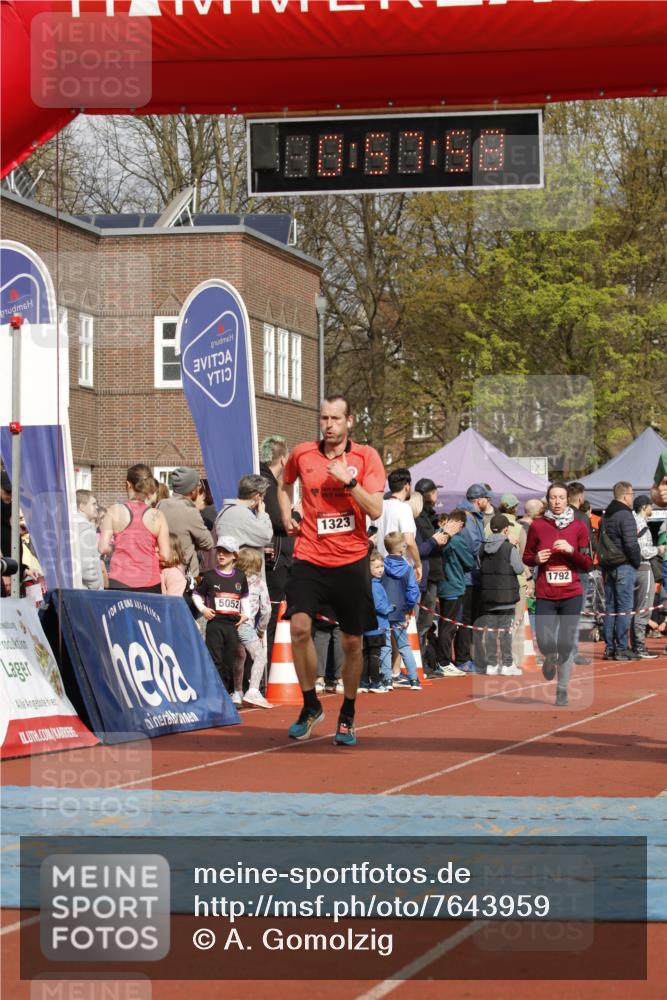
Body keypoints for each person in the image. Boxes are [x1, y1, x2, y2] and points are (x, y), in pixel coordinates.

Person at [277, 394, 385, 747]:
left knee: (352, 642)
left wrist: (349, 482)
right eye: (324, 418)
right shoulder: (303, 453)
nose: (328, 425)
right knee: (299, 627)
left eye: (335, 419)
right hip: (309, 555)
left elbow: (376, 510)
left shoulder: (366, 457)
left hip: (351, 560)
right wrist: (286, 515)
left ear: (349, 421)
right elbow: (283, 484)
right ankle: (311, 705)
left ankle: (348, 712)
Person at [523, 481, 593, 706]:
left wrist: (572, 551)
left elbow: (588, 563)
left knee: (566, 643)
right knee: (544, 641)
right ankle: (549, 657)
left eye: (561, 497)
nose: (557, 502)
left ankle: (562, 689)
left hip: (572, 593)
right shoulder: (538, 526)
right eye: (553, 497)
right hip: (546, 592)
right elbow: (526, 556)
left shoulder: (579, 526)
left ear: (567, 500)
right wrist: (536, 559)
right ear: (548, 500)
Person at [193, 535, 250, 695]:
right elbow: (196, 594)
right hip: (215, 624)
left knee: (228, 661)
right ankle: (214, 693)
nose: (221, 555)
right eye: (219, 551)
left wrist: (246, 614)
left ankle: (225, 693)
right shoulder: (210, 576)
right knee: (214, 659)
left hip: (232, 625)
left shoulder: (240, 576)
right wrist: (203, 609)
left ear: (235, 555)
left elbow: (244, 596)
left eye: (226, 552)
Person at [260, 435, 299, 664]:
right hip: (274, 562)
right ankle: (268, 667)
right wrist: (297, 513)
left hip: (276, 559)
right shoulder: (267, 483)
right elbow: (278, 520)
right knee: (272, 615)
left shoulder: (266, 481)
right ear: (284, 460)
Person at [99, 470, 170, 593]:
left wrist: (116, 547)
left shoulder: (114, 510)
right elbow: (165, 555)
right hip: (150, 581)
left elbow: (103, 548)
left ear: (128, 484)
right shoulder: (158, 515)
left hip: (119, 580)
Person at [476, 513, 525, 676]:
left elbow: (479, 566)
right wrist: (512, 547)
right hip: (506, 597)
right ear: (505, 530)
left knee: (490, 631)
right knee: (505, 631)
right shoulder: (509, 548)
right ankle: (507, 664)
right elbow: (519, 569)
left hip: (488, 596)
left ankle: (491, 664)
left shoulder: (482, 548)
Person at [600, 481, 642, 660]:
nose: (632, 498)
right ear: (625, 496)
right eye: (632, 494)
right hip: (624, 564)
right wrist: (636, 562)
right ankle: (622, 647)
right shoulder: (625, 515)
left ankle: (610, 647)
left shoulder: (606, 515)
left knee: (610, 607)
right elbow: (631, 544)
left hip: (608, 566)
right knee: (624, 607)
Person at [454, 484, 491, 670]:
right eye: (486, 498)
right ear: (478, 500)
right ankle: (462, 659)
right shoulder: (468, 518)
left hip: (472, 576)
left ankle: (469, 657)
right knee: (466, 619)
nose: (488, 502)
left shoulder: (473, 516)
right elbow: (473, 546)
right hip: (467, 576)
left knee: (472, 618)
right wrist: (492, 547)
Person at [233, 547, 273, 708]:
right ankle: (253, 690)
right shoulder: (259, 583)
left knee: (239, 657)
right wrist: (261, 630)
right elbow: (267, 609)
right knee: (260, 656)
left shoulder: (233, 580)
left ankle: (237, 692)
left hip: (230, 623)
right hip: (246, 625)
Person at [382, 531, 422, 690]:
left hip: (383, 611)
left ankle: (387, 679)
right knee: (404, 645)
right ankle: (414, 679)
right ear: (402, 549)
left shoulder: (381, 566)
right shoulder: (407, 568)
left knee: (385, 646)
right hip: (400, 610)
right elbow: (413, 592)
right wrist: (407, 609)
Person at [158, 467, 213, 577]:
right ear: (192, 490)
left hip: (162, 570)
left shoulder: (161, 504)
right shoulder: (190, 512)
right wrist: (193, 542)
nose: (199, 488)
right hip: (184, 574)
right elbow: (208, 543)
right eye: (198, 485)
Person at [435, 510, 472, 675]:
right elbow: (469, 561)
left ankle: (442, 660)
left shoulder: (436, 535)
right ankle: (444, 661)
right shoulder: (456, 540)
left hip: (441, 585)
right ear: (460, 524)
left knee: (444, 624)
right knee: (449, 626)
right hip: (453, 585)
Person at [414, 478, 447, 655]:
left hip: (430, 573)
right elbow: (430, 544)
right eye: (435, 491)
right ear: (429, 494)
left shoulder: (429, 516)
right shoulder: (419, 517)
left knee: (426, 621)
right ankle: (418, 660)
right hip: (425, 574)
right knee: (423, 621)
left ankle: (422, 658)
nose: (438, 494)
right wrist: (445, 534)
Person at [371, 468, 422, 581]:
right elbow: (409, 541)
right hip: (400, 568)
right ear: (407, 486)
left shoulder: (380, 506)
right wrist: (418, 564)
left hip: (382, 566)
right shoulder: (404, 508)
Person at [631, 495, 663, 659]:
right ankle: (639, 646)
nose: (652, 508)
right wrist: (658, 549)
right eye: (650, 505)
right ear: (644, 507)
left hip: (634, 569)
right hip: (643, 568)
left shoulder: (632, 522)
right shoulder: (641, 523)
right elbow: (643, 550)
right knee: (644, 607)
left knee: (637, 607)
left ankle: (635, 645)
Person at [214, 474, 274, 558]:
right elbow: (266, 536)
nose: (263, 500)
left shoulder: (223, 512)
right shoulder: (244, 515)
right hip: (244, 565)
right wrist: (262, 513)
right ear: (257, 497)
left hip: (230, 563)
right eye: (263, 496)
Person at [361, 550, 394, 692]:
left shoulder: (370, 583)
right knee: (374, 655)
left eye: (381, 566)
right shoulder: (375, 585)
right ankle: (375, 682)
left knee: (367, 655)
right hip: (377, 626)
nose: (380, 570)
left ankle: (364, 682)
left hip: (369, 625)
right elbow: (378, 605)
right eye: (376, 567)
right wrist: (389, 608)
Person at [74, 489, 104, 590]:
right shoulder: (85, 527)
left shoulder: (74, 525)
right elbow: (86, 565)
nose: (97, 507)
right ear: (82, 507)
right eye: (93, 504)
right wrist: (95, 585)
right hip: (88, 590)